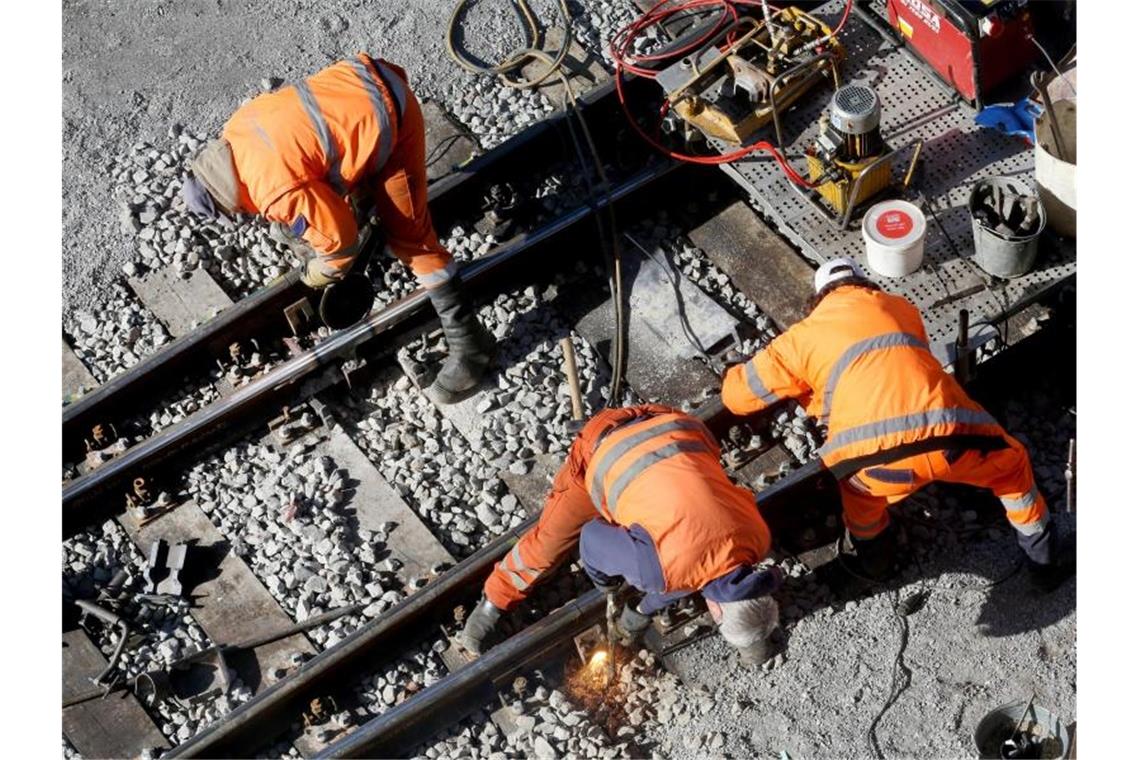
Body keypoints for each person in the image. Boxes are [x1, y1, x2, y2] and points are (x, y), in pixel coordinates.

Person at [721, 257, 1068, 588]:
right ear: (864, 284)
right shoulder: (900, 307)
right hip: (952, 437)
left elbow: (737, 398)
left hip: (871, 462)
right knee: (1011, 470)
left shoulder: (800, 338)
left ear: (818, 299)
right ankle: (1043, 565)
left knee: (861, 504)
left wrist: (743, 372)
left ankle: (878, 562)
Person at [180, 53, 493, 403]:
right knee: (321, 194)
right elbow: (307, 152)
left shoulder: (272, 190)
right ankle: (367, 202)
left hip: (393, 118)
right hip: (363, 77)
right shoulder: (236, 130)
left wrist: (318, 274)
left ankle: (471, 344)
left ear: (226, 200)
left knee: (412, 241)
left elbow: (339, 244)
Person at [459, 404, 784, 665]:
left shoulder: (759, 537)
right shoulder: (657, 572)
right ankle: (496, 597)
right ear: (716, 610)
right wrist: (608, 584)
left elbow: (691, 571)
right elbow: (590, 539)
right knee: (549, 541)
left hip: (674, 425)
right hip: (603, 447)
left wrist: (643, 609)